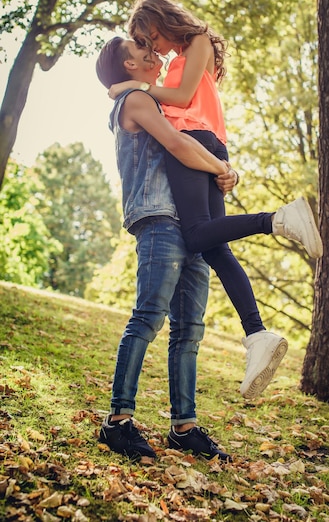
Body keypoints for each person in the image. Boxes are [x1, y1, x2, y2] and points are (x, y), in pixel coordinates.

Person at [109, 0, 323, 400]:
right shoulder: (173, 61)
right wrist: (223, 167)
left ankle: (275, 219)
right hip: (208, 148)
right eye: (146, 44)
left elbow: (185, 99)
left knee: (194, 235)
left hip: (194, 142)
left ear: (163, 20)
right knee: (213, 246)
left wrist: (135, 84)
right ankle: (257, 335)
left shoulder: (198, 42)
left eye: (152, 36)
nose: (154, 46)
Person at [95, 36, 234, 462]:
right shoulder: (135, 101)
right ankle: (117, 422)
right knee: (149, 317)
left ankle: (183, 427)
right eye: (143, 52)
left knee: (190, 328)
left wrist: (218, 171)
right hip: (159, 218)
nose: (155, 56)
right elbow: (177, 144)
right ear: (128, 65)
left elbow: (187, 139)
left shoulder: (148, 97)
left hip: (189, 221)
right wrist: (223, 168)